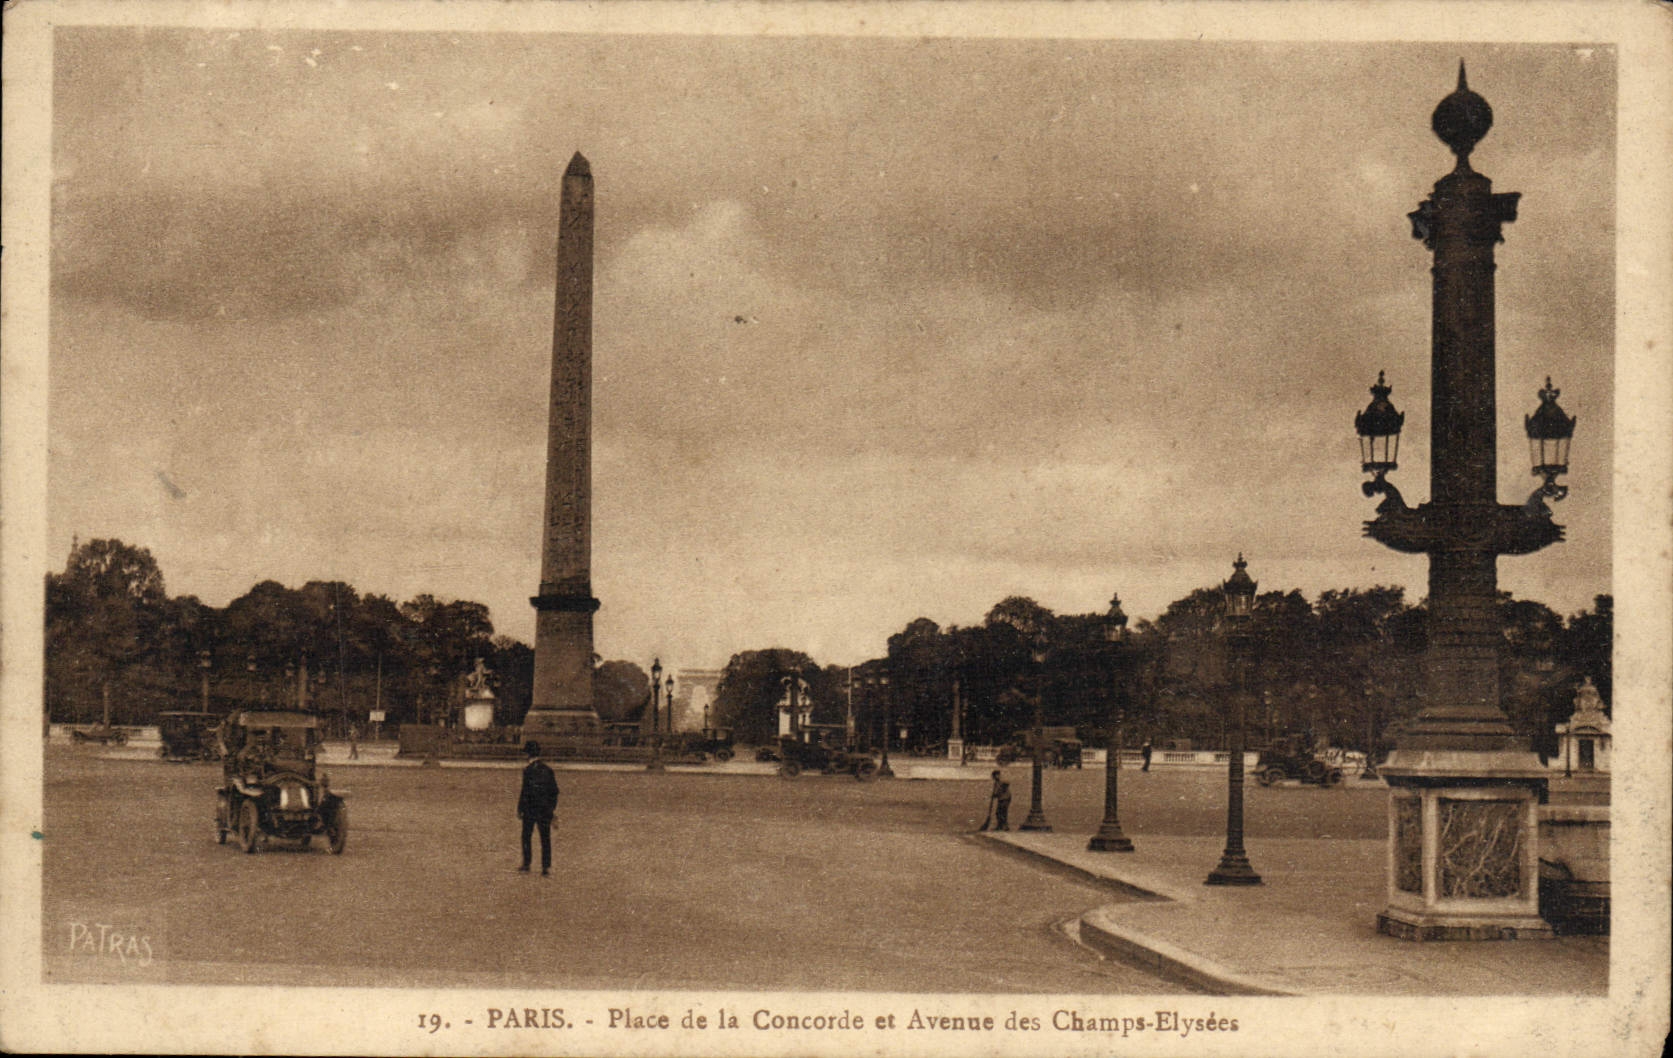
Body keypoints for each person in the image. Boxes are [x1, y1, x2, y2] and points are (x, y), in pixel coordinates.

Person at [517, 740, 560, 875]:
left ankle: (527, 863)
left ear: (528, 755)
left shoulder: (528, 771)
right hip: (544, 809)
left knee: (526, 836)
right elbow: (554, 791)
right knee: (545, 838)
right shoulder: (548, 770)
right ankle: (545, 867)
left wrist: (520, 808)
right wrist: (551, 809)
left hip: (530, 809)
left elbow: (525, 792)